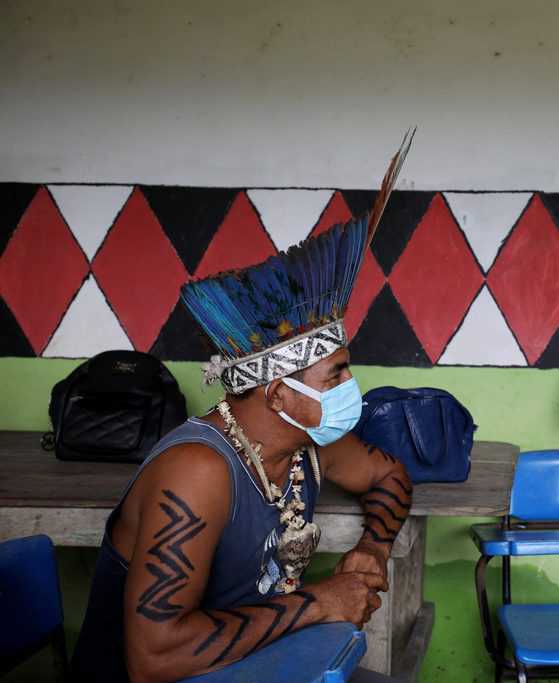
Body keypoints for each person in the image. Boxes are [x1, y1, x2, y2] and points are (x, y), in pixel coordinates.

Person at [71, 135, 416, 683]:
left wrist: (373, 545)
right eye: (337, 374)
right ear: (279, 394)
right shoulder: (196, 472)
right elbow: (152, 658)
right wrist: (320, 602)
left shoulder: (308, 443)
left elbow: (389, 474)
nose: (353, 387)